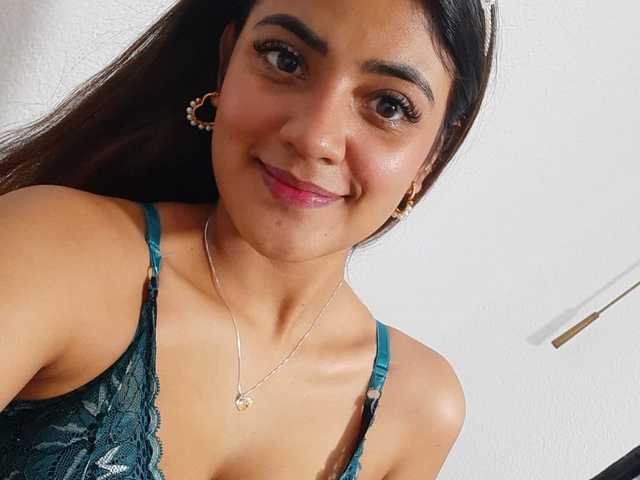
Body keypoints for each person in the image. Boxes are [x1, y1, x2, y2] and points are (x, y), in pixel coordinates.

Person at [0, 0, 497, 478]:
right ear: (226, 65)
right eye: (286, 60)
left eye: (389, 105)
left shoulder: (416, 410)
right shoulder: (55, 253)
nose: (315, 138)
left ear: (433, 155)